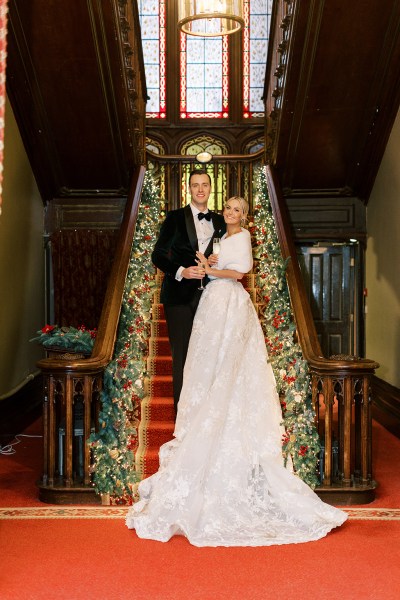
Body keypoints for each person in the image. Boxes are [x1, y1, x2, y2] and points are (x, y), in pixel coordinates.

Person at [126, 196, 348, 547]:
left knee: (229, 363)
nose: (230, 214)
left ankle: (223, 412)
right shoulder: (221, 235)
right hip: (211, 300)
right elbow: (202, 258)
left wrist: (212, 270)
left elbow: (241, 272)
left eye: (237, 211)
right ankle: (205, 409)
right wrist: (207, 262)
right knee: (206, 362)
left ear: (244, 216)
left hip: (228, 299)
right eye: (227, 209)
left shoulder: (241, 237)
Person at [151, 169, 225, 414]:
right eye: (195, 185)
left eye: (205, 185)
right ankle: (182, 417)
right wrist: (182, 271)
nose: (200, 189)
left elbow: (229, 255)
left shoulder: (221, 221)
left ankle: (205, 415)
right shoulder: (174, 218)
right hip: (179, 297)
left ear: (210, 188)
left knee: (209, 355)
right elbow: (158, 255)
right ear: (189, 189)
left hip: (212, 296)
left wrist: (218, 261)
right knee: (181, 356)